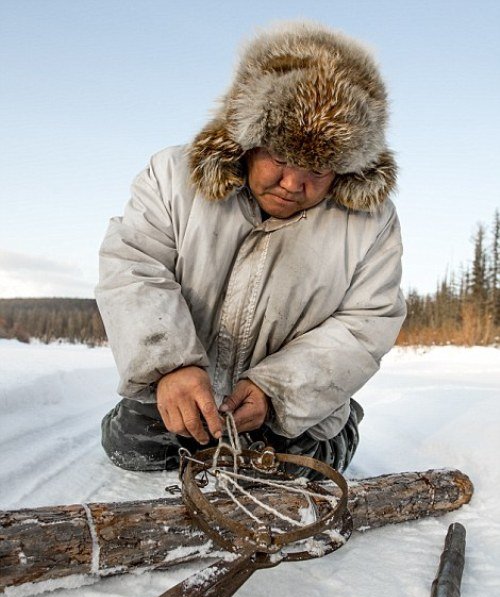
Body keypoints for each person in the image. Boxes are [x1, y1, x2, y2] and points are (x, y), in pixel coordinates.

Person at [96, 21, 406, 476]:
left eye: (318, 170)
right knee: (132, 449)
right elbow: (135, 265)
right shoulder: (172, 176)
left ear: (346, 168)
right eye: (280, 157)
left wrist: (275, 391)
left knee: (295, 471)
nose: (292, 184)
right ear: (247, 139)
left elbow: (367, 323)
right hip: (188, 385)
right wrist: (171, 366)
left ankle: (341, 425)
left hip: (291, 404)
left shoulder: (371, 222)